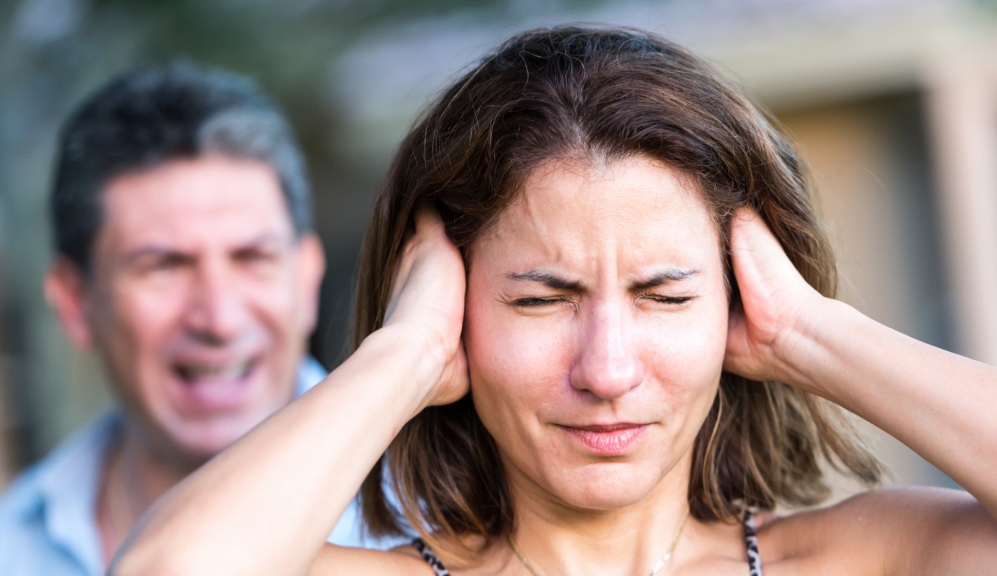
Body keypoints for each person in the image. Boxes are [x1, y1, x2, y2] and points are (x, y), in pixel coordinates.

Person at [112, 27, 997, 576]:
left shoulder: (870, 561)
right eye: (543, 300)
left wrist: (810, 332)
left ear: (733, 309)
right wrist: (404, 354)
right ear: (459, 310)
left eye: (663, 294)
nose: (607, 370)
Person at [0, 62, 396, 576]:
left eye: (251, 257)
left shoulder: (442, 520)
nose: (219, 318)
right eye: (164, 266)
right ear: (75, 303)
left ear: (305, 279)